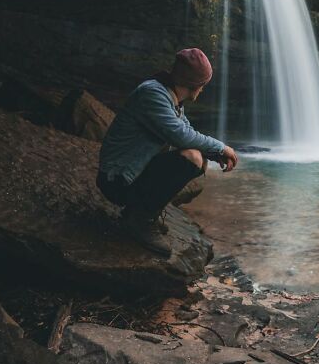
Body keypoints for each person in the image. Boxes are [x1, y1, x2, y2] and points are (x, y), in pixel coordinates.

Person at [96, 48, 238, 255]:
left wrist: (215, 154)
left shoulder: (170, 97)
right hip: (117, 180)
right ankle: (139, 220)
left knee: (199, 156)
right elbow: (181, 136)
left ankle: (145, 211)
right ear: (197, 85)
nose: (203, 90)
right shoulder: (153, 94)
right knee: (192, 158)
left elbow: (186, 131)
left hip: (132, 173)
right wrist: (221, 147)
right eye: (203, 85)